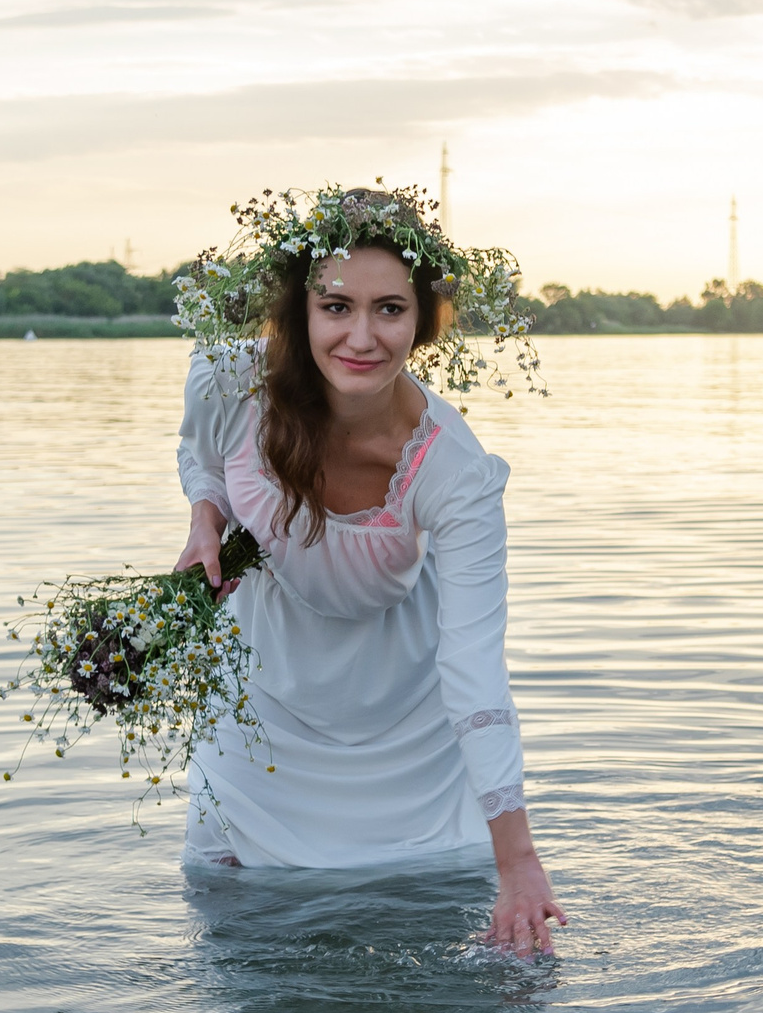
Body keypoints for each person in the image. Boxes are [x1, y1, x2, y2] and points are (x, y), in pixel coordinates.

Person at [172, 184, 565, 955]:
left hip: (403, 717)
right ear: (301, 311)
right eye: (336, 306)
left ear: (423, 320)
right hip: (262, 695)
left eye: (389, 308)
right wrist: (204, 518)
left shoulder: (455, 471)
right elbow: (203, 457)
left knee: (422, 941)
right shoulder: (226, 378)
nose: (361, 336)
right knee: (237, 933)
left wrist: (517, 863)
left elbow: (475, 667)